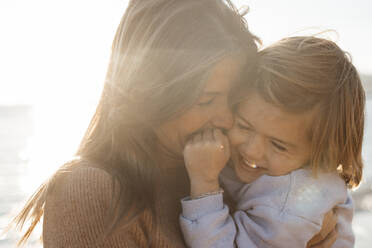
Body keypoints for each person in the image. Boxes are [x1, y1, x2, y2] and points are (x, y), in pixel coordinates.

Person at [11, 0, 335, 247]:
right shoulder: (94, 192)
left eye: (233, 99)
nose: (225, 119)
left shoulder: (224, 174)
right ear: (148, 92)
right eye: (206, 100)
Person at [179, 36, 365, 247]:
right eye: (244, 126)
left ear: (320, 156)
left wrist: (204, 183)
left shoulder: (290, 209)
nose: (252, 151)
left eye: (278, 145)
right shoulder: (280, 166)